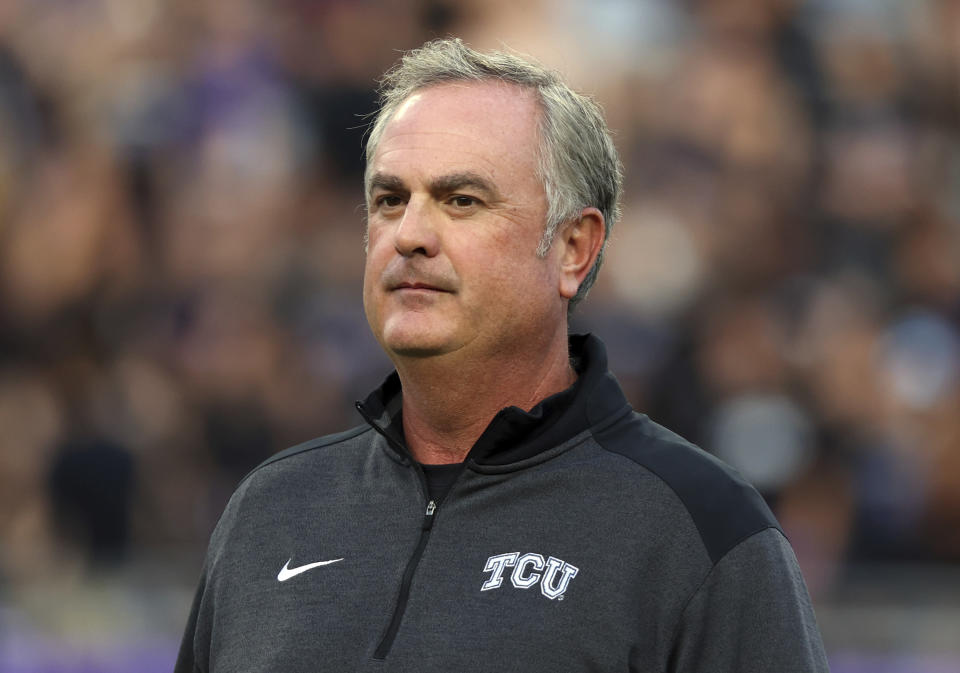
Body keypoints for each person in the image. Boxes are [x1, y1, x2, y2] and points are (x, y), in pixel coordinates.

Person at [175, 38, 830, 673]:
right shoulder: (269, 512)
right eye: (390, 199)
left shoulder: (701, 528)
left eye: (462, 200)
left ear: (574, 246)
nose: (410, 235)